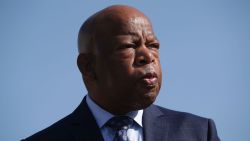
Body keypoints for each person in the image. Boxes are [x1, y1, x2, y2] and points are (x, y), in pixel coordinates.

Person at [22, 5, 220, 141]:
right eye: (128, 46)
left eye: (153, 45)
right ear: (88, 66)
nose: (147, 56)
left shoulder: (199, 133)